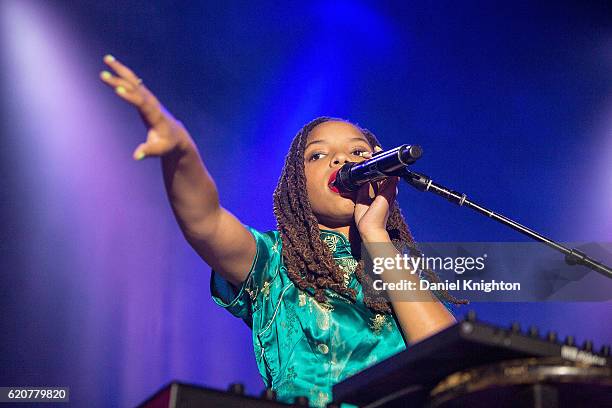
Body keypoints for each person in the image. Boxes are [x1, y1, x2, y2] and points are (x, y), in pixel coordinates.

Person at [100, 54, 464, 407]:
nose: (343, 160)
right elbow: (204, 220)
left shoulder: (396, 268)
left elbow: (451, 362)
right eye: (319, 155)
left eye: (358, 152)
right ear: (297, 184)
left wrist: (376, 236)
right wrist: (181, 151)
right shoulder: (273, 262)